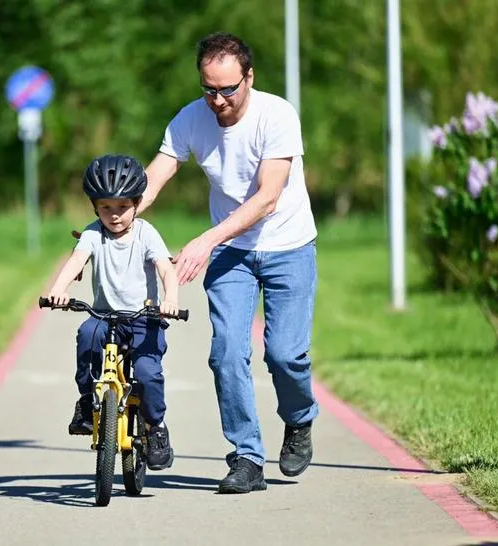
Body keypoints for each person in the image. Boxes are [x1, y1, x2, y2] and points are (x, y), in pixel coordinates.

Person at [137, 32, 319, 493]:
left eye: (227, 89)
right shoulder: (190, 119)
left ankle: (298, 420)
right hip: (233, 256)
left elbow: (267, 198)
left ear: (249, 78)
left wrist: (205, 241)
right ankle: (246, 457)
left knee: (283, 354)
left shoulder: (277, 115)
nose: (217, 100)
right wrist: (114, 216)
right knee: (226, 353)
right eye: (208, 89)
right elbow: (154, 179)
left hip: (288, 247)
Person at [44, 154, 180, 471]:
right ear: (95, 207)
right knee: (86, 336)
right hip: (105, 315)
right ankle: (85, 400)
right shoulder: (93, 234)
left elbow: (165, 269)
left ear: (136, 204)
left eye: (122, 207)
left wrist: (170, 298)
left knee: (147, 373)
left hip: (144, 317)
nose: (115, 216)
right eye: (106, 208)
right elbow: (76, 261)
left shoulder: (146, 233)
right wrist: (59, 289)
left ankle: (155, 428)